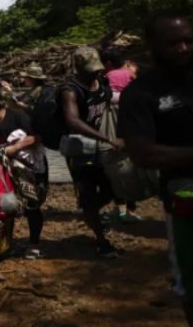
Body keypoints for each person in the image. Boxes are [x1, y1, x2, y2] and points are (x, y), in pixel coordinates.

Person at [119, 13, 193, 325]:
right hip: (186, 198)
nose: (182, 48)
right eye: (172, 43)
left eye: (188, 41)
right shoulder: (141, 93)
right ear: (152, 45)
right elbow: (143, 153)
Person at [59, 46, 123, 259]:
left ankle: (89, 211)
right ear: (78, 67)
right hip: (80, 150)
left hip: (102, 148)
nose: (95, 73)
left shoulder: (102, 82)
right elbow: (73, 120)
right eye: (90, 70)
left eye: (97, 68)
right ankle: (101, 241)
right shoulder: (70, 89)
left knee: (112, 189)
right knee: (87, 192)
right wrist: (106, 138)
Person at [0, 93, 48, 259]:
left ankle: (34, 245)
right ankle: (7, 242)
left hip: (29, 168)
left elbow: (37, 136)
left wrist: (16, 147)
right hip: (5, 171)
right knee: (6, 204)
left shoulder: (18, 116)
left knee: (32, 206)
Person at [102, 46, 142, 223]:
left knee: (114, 168)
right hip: (131, 124)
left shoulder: (106, 77)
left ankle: (121, 209)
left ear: (108, 63)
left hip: (111, 125)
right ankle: (131, 209)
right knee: (132, 166)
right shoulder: (130, 75)